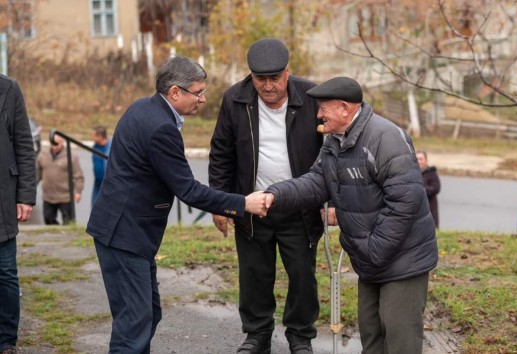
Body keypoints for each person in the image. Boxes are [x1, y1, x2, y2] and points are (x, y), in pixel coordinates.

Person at [86, 55, 268, 354]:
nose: (203, 98)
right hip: (125, 235)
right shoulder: (161, 128)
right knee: (134, 325)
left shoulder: (142, 107)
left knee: (146, 316)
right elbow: (189, 190)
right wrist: (242, 204)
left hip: (124, 232)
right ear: (175, 92)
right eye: (198, 92)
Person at [264, 77, 438, 354]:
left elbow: (406, 203)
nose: (318, 114)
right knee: (371, 336)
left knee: (400, 339)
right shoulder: (335, 140)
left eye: (323, 108)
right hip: (371, 258)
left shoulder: (385, 138)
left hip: (401, 259)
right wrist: (274, 195)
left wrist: (372, 249)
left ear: (345, 108)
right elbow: (316, 180)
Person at [208, 38, 324, 354]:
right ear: (251, 76)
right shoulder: (235, 99)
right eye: (261, 79)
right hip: (252, 205)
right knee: (254, 274)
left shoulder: (312, 98)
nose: (268, 86)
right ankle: (257, 334)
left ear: (288, 72)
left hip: (299, 207)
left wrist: (333, 201)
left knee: (302, 275)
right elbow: (221, 153)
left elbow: (331, 153)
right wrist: (221, 203)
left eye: (275, 78)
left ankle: (300, 336)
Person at [0, 74, 36, 354]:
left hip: (2, 197)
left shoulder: (9, 89)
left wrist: (25, 195)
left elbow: (24, 145)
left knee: (6, 272)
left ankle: (6, 340)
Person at [36, 134, 84, 225]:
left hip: (65, 197)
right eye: (52, 143)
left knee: (68, 222)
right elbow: (37, 174)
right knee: (48, 220)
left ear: (62, 143)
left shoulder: (71, 156)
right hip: (48, 197)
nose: (54, 146)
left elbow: (78, 175)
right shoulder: (42, 155)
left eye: (56, 144)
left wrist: (78, 191)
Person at [417, 150, 441, 229]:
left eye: (421, 159)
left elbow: (436, 188)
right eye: (416, 159)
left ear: (426, 160)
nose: (419, 161)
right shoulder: (411, 173)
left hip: (430, 208)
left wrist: (420, 188)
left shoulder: (432, 173)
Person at [91, 125, 111, 205]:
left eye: (93, 136)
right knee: (94, 206)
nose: (92, 138)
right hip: (97, 183)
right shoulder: (95, 147)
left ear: (100, 136)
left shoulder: (111, 147)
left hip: (108, 183)